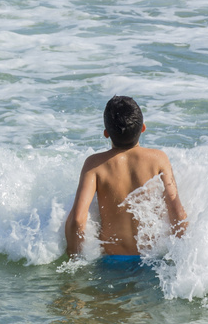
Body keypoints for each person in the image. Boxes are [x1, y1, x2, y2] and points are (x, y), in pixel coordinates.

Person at [65, 96, 187, 258]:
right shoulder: (158, 159)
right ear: (143, 128)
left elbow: (78, 220)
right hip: (150, 259)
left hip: (111, 261)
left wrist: (74, 257)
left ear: (106, 133)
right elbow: (176, 212)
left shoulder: (94, 165)